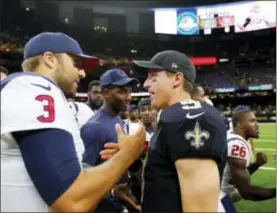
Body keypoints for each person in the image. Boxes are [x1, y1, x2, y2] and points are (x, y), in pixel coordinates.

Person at [1, 32, 146, 212]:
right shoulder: (35, 88)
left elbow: (64, 173)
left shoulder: (32, 91)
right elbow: (71, 202)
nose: (82, 73)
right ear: (50, 59)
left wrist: (109, 182)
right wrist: (128, 155)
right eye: (76, 64)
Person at [132, 50, 227, 212]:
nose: (146, 84)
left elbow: (200, 209)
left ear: (177, 79)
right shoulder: (171, 116)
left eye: (153, 77)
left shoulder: (189, 117)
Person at [81, 69, 141, 212]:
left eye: (129, 91)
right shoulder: (94, 127)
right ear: (106, 93)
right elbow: (84, 180)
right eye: (122, 92)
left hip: (120, 199)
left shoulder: (118, 119)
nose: (128, 97)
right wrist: (112, 192)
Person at [220, 105, 275, 212]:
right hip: (216, 197)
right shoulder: (237, 145)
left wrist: (256, 164)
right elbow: (246, 192)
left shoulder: (233, 138)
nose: (257, 125)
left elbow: (232, 179)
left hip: (217, 193)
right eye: (252, 121)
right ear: (240, 124)